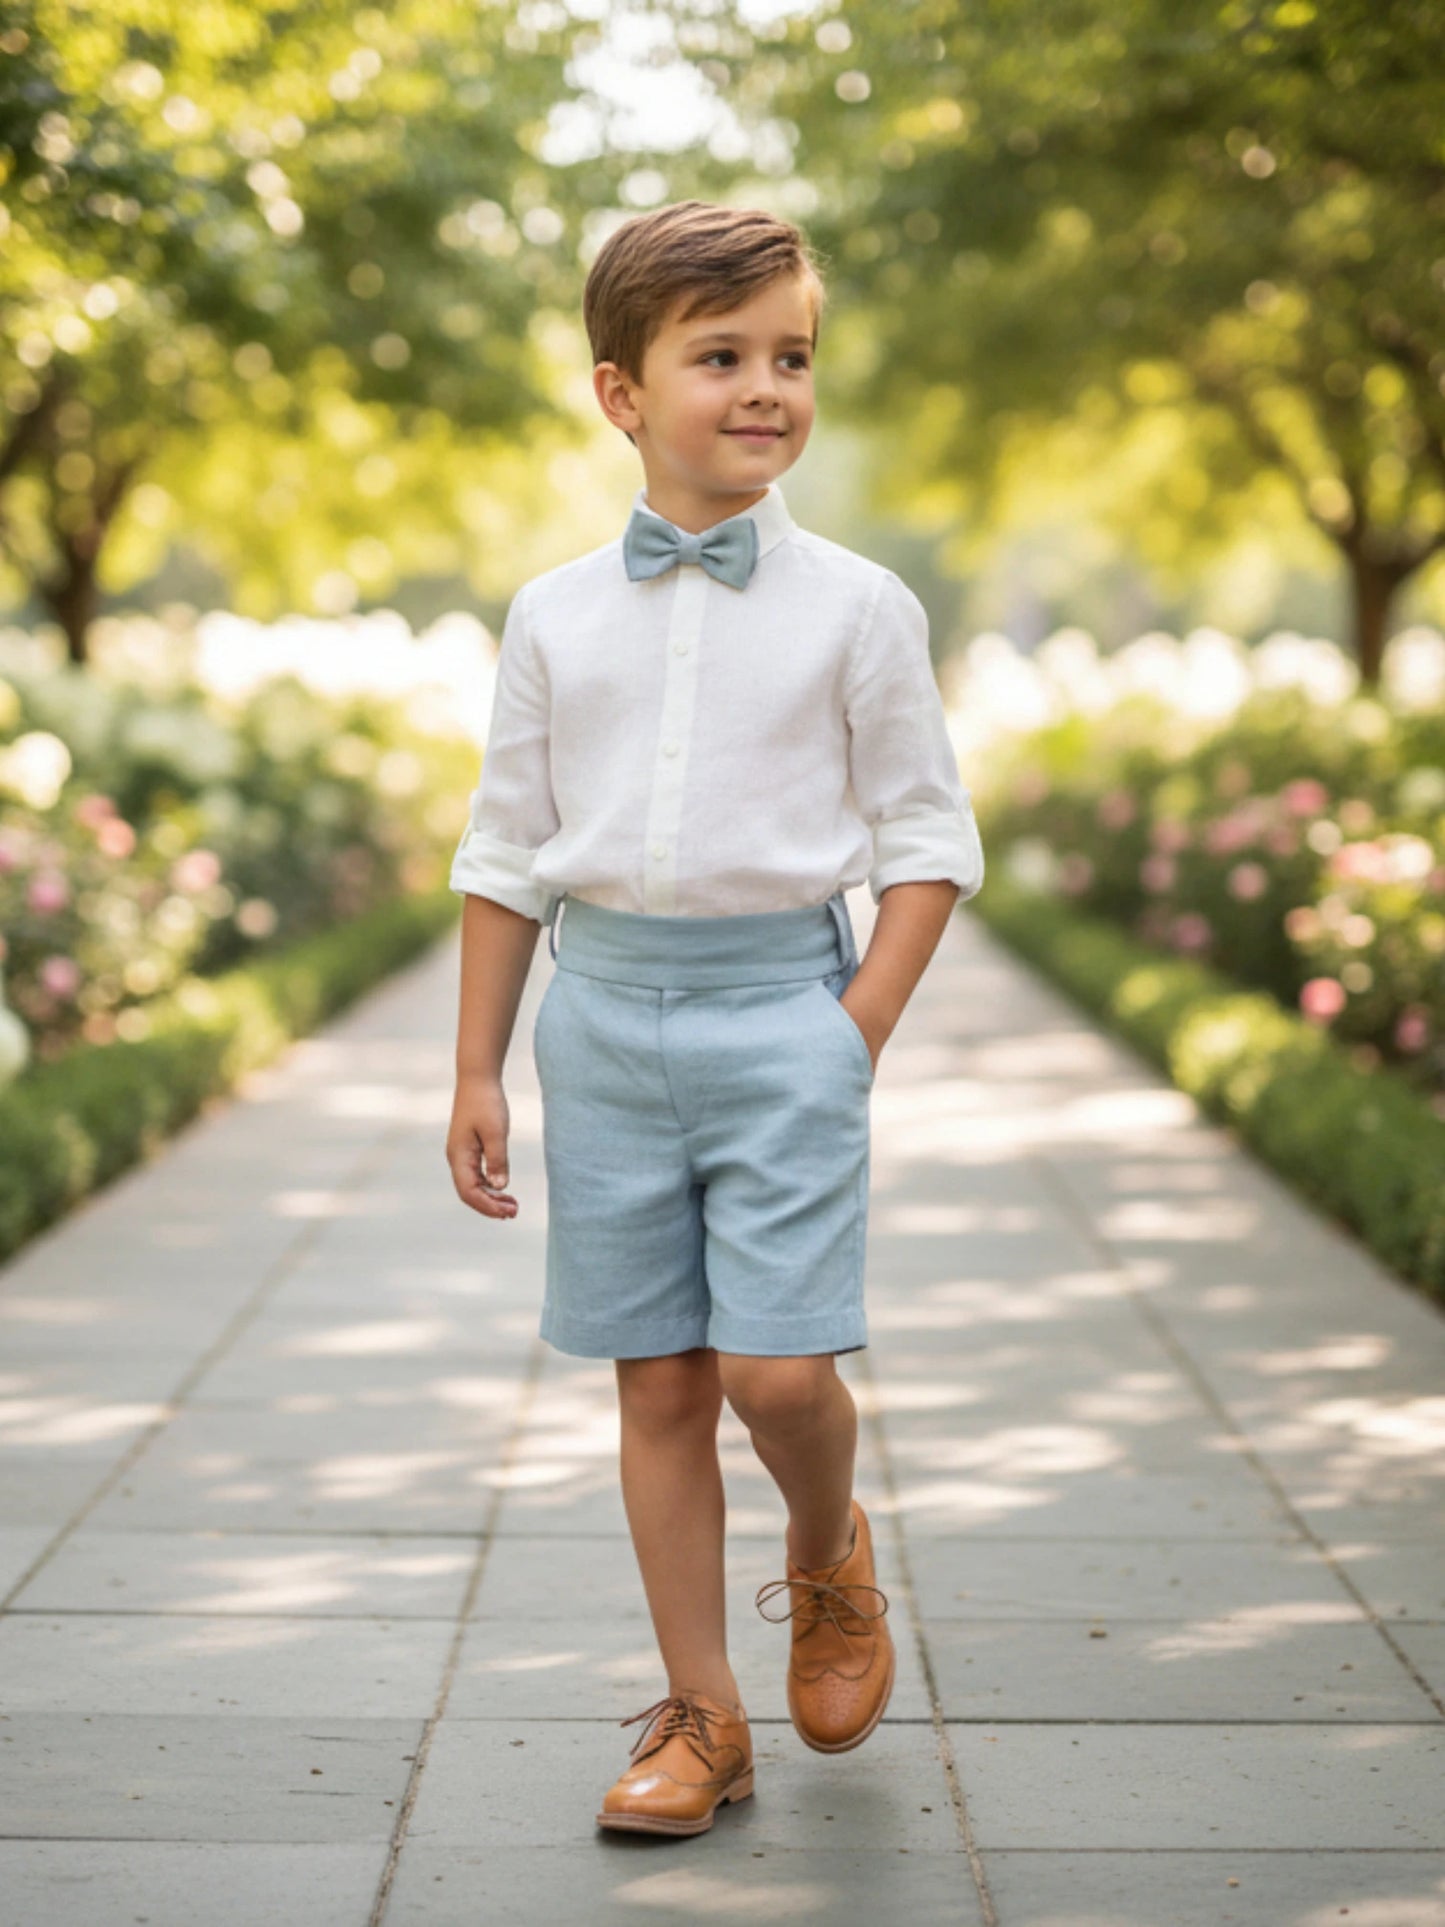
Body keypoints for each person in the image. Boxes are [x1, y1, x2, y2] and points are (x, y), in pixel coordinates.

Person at [445, 199, 983, 1838]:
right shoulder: (552, 614)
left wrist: (851, 1028)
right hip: (601, 1028)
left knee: (774, 1374)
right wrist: (477, 1066)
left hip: (781, 1022)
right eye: (721, 357)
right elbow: (507, 850)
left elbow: (925, 838)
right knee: (661, 1386)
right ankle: (702, 1718)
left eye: (791, 358)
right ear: (621, 392)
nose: (765, 388)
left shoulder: (860, 608)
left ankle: (826, 1553)